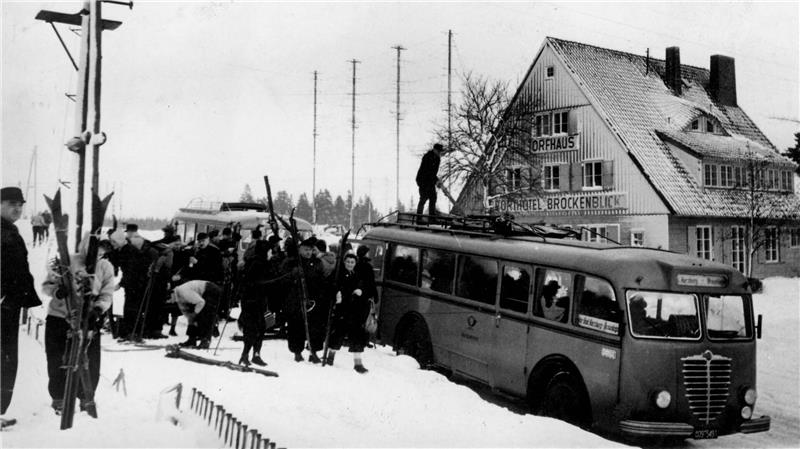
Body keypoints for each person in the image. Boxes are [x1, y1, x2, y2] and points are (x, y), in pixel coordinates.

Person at [41, 236, 114, 414]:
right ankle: (58, 397)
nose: (99, 254)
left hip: (88, 319)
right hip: (60, 317)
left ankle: (85, 397)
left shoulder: (105, 267)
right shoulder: (67, 261)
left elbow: (107, 293)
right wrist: (58, 291)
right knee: (57, 359)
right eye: (95, 250)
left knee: (90, 361)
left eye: (102, 251)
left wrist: (98, 308)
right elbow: (46, 285)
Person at [1, 187, 42, 424]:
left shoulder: (10, 230)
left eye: (20, 204)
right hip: (4, 304)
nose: (17, 208)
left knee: (6, 359)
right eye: (10, 203)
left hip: (9, 305)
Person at [282, 237, 327, 363]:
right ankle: (297, 351)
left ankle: (314, 352)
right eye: (305, 249)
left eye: (310, 250)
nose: (308, 252)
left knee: (315, 328)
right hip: (296, 300)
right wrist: (293, 275)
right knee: (296, 327)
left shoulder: (317, 263)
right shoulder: (292, 262)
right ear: (300, 249)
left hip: (313, 300)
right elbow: (283, 279)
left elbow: (321, 280)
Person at [327, 254, 371, 373]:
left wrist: (361, 292)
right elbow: (331, 287)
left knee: (357, 336)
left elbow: (365, 289)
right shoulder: (338, 275)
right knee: (338, 334)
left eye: (352, 262)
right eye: (348, 262)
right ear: (344, 262)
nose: (350, 264)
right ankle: (330, 358)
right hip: (343, 310)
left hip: (355, 311)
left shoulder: (357, 275)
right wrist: (337, 294)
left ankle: (358, 364)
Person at [237, 240, 272, 366]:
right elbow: (253, 283)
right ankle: (246, 354)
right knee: (253, 328)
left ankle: (255, 355)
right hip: (252, 301)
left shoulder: (258, 262)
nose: (271, 254)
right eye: (269, 251)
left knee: (261, 327)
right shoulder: (258, 263)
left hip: (257, 301)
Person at [172, 280, 222, 349]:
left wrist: (194, 314)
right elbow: (186, 312)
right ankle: (192, 339)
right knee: (193, 315)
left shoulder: (183, 292)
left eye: (169, 299)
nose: (169, 302)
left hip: (210, 289)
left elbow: (201, 302)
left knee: (205, 314)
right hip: (201, 295)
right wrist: (191, 318)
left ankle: (205, 340)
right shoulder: (178, 298)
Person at [415, 143, 445, 217]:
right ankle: (419, 218)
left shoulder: (437, 159)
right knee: (424, 198)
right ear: (434, 150)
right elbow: (428, 171)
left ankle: (432, 217)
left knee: (433, 197)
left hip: (430, 180)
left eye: (440, 152)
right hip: (422, 180)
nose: (439, 153)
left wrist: (436, 180)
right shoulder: (427, 157)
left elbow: (433, 173)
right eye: (438, 151)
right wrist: (436, 180)